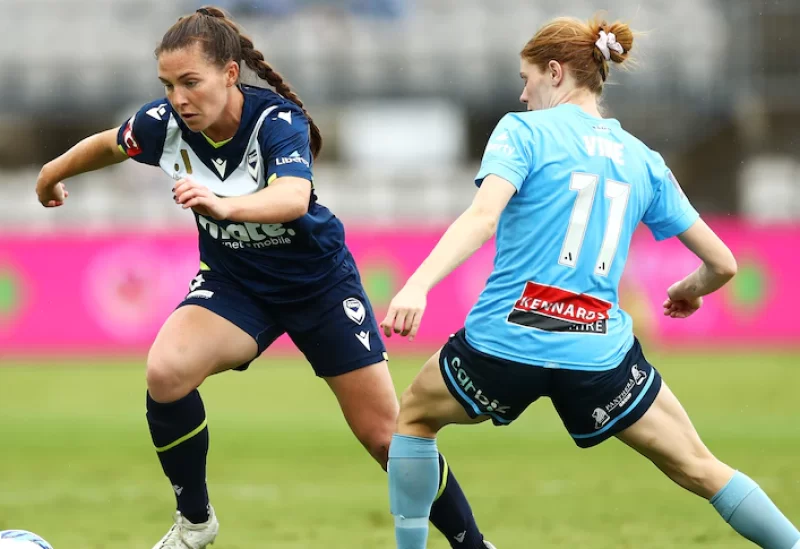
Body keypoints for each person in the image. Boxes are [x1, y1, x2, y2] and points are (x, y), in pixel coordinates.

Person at [35, 6, 495, 549]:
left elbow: (293, 197)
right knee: (166, 372)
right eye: (168, 85)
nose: (179, 98)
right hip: (237, 285)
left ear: (229, 74)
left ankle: (472, 544)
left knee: (385, 437)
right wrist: (52, 173)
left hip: (318, 285)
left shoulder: (274, 121)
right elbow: (111, 143)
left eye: (190, 82)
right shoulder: (165, 124)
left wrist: (225, 207)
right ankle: (195, 523)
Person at [380, 16, 800, 549]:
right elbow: (724, 264)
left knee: (413, 419)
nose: (522, 92)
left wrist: (418, 285)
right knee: (699, 466)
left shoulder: (521, 131)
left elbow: (484, 218)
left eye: (526, 76)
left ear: (554, 72)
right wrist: (689, 290)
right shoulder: (644, 160)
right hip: (598, 355)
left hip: (508, 341)